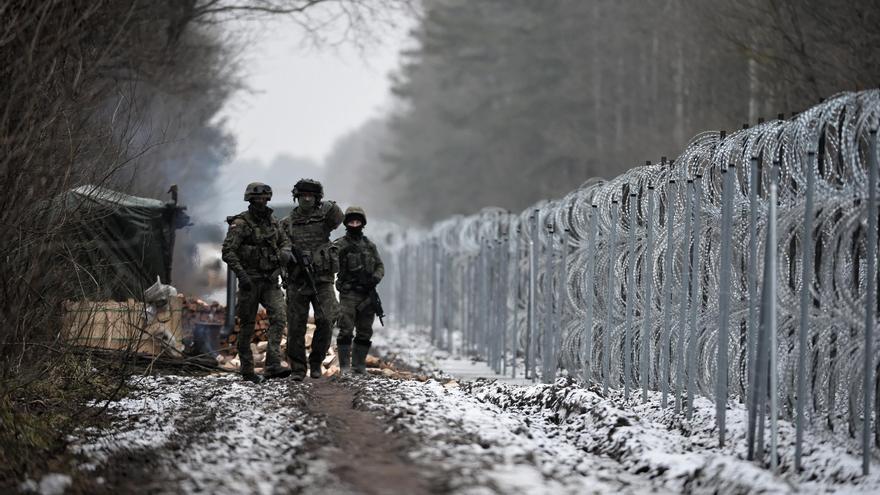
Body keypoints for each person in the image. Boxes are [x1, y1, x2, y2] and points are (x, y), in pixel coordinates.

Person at [221, 182, 293, 383]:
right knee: (247, 325)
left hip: (270, 279)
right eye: (257, 199)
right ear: (250, 200)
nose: (261, 202)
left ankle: (272, 365)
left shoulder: (273, 221)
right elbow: (228, 252)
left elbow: (284, 241)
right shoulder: (241, 223)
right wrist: (242, 276)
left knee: (279, 317)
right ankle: (247, 370)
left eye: (264, 198)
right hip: (249, 281)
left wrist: (285, 254)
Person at [280, 179, 344, 380]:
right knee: (296, 324)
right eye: (303, 196)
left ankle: (316, 362)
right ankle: (298, 368)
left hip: (322, 279)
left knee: (326, 319)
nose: (307, 199)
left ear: (317, 198)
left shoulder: (324, 218)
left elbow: (340, 215)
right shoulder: (286, 223)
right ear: (296, 197)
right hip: (297, 281)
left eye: (311, 196)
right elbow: (279, 249)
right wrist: (288, 256)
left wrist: (327, 204)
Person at [333, 206, 384, 374]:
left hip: (367, 295)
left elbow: (379, 265)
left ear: (363, 223)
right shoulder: (340, 245)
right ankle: (345, 367)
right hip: (349, 293)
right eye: (352, 221)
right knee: (346, 329)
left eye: (358, 221)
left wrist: (375, 278)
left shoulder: (369, 245)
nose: (355, 224)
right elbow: (330, 265)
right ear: (347, 223)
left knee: (365, 330)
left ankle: (359, 365)